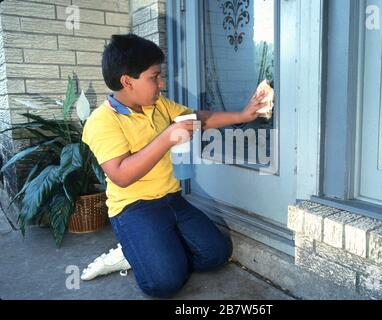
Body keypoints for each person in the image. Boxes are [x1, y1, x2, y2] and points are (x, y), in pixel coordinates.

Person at [81, 34, 268, 298]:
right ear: (127, 81)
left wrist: (242, 115)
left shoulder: (158, 105)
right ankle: (132, 252)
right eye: (154, 77)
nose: (162, 83)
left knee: (217, 254)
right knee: (165, 284)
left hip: (171, 199)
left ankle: (149, 251)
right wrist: (169, 136)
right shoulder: (102, 121)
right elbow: (121, 175)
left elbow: (197, 119)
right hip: (133, 209)